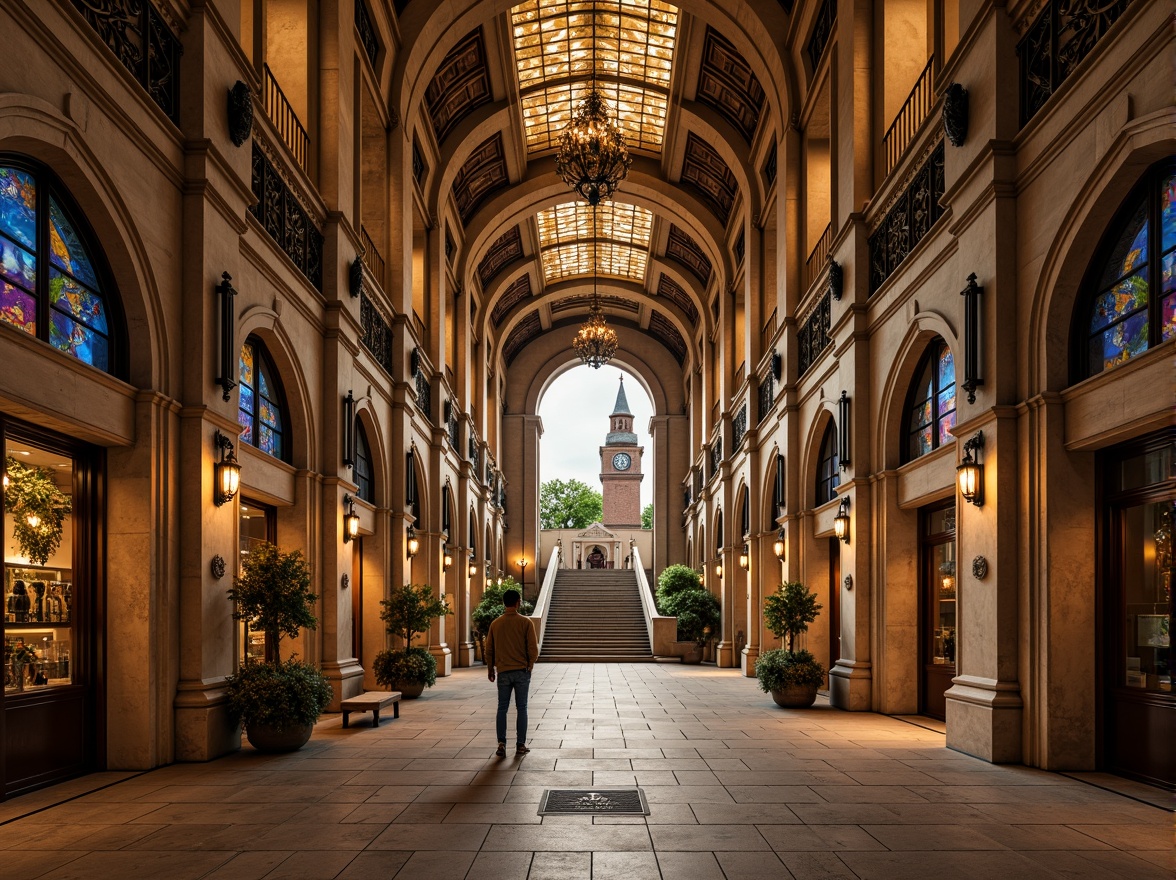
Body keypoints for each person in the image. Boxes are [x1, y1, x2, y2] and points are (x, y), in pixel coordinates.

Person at [485, 588, 538, 758]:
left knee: (502, 707)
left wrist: (490, 669)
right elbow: (532, 648)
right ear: (518, 602)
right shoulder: (526, 622)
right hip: (521, 671)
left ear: (503, 603)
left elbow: (489, 649)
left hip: (503, 672)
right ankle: (520, 745)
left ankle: (501, 744)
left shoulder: (495, 623)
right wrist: (530, 665)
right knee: (521, 707)